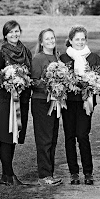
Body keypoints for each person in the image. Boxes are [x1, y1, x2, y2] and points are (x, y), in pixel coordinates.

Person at [0, 20, 33, 186]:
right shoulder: (2, 55)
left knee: (14, 137)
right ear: (5, 35)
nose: (14, 34)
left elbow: (30, 74)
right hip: (7, 102)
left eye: (17, 31)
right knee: (6, 138)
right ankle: (8, 175)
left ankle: (6, 176)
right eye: (11, 32)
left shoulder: (26, 52)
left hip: (22, 101)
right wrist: (8, 83)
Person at [60, 25, 100, 185]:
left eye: (83, 39)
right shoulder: (63, 58)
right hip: (69, 103)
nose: (80, 42)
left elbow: (99, 79)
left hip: (86, 102)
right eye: (77, 39)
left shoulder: (93, 57)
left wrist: (91, 83)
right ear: (70, 40)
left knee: (83, 135)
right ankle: (74, 172)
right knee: (70, 136)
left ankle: (88, 172)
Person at [30, 28, 63, 186]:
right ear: (41, 42)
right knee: (44, 140)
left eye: (52, 38)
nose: (51, 41)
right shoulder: (38, 58)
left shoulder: (57, 57)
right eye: (47, 39)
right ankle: (44, 175)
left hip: (55, 102)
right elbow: (33, 81)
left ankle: (50, 173)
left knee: (52, 139)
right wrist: (49, 84)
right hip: (41, 102)